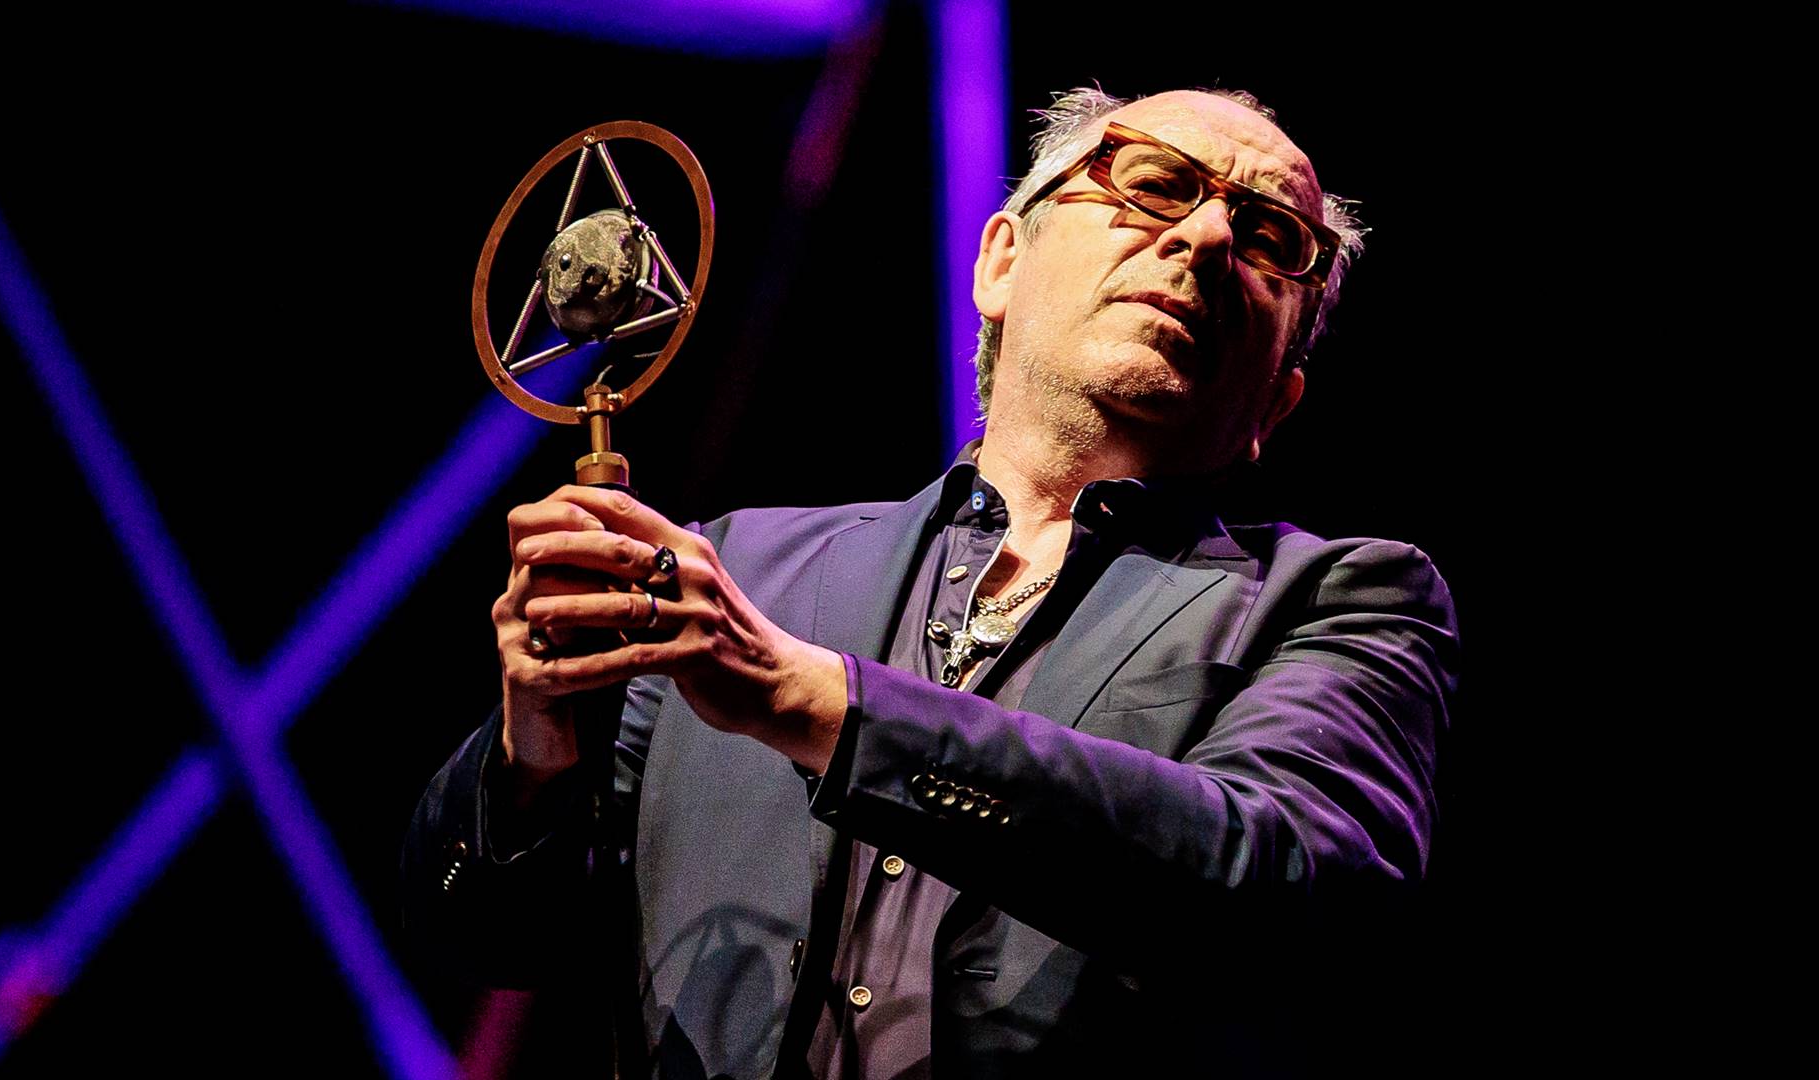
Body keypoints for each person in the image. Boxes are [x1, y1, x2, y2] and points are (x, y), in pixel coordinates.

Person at [403, 86, 1458, 1078]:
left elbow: (1290, 894)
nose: (1212, 237)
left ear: (1281, 396)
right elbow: (483, 932)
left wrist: (813, 700)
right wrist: (534, 747)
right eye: (1154, 183)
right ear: (1000, 261)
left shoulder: (1341, 603)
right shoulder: (743, 571)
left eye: (1273, 239)